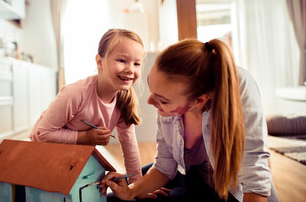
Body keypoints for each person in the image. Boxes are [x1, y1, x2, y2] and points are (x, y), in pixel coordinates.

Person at [102, 39, 279, 202]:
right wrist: (131, 191)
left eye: (163, 100)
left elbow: (255, 176)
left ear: (200, 100)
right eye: (151, 87)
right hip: (187, 174)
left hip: (227, 193)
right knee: (113, 198)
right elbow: (165, 166)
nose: (150, 101)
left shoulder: (238, 88)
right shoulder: (169, 100)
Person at [29, 28, 144, 183]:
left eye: (137, 63)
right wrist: (86, 137)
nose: (130, 69)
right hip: (45, 159)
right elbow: (41, 134)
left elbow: (129, 146)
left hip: (74, 161)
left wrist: (137, 186)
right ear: (99, 61)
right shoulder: (75, 94)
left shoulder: (124, 101)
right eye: (122, 60)